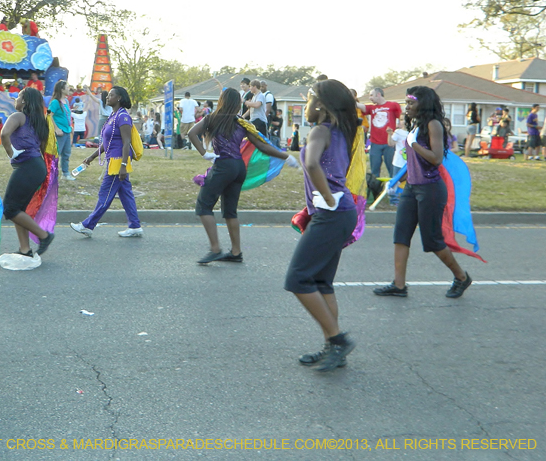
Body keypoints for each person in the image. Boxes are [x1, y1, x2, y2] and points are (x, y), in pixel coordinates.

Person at [284, 79, 360, 372]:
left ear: (321, 105)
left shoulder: (320, 131)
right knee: (321, 282)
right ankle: (333, 348)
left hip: (332, 213)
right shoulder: (340, 132)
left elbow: (314, 164)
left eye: (308, 99)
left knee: (298, 278)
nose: (305, 106)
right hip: (342, 212)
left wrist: (326, 197)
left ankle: (338, 341)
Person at [374, 86, 473, 300]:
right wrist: (396, 180)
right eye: (407, 103)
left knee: (432, 240)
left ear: (424, 104)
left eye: (411, 103)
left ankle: (461, 277)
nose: (407, 107)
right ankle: (399, 285)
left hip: (430, 190)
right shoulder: (416, 125)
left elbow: (436, 158)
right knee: (401, 236)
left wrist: (414, 144)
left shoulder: (433, 125)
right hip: (411, 188)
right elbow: (412, 162)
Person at [189, 88, 296, 264]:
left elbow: (191, 133)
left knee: (203, 206)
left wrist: (204, 153)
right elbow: (263, 146)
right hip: (239, 168)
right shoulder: (241, 122)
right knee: (230, 211)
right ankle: (236, 252)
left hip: (223, 166)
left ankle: (215, 249)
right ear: (237, 104)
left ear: (222, 101)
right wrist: (286, 156)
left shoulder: (212, 118)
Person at [70, 86, 142, 238]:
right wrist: (91, 157)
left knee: (105, 193)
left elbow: (126, 142)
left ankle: (87, 225)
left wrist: (123, 166)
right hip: (114, 159)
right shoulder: (113, 115)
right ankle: (135, 226)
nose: (107, 97)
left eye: (111, 95)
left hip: (118, 162)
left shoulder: (123, 117)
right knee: (126, 194)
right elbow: (107, 143)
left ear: (119, 98)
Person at [0, 87, 56, 258]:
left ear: (24, 101)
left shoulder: (18, 116)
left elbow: (4, 134)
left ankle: (44, 236)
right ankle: (25, 249)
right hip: (36, 167)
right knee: (19, 209)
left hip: (28, 166)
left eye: (18, 96)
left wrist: (11, 153)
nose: (15, 99)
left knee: (10, 209)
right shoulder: (38, 121)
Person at [356, 87, 402, 178]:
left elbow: (401, 118)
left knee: (392, 168)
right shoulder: (372, 108)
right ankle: (375, 186)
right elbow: (360, 106)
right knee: (374, 169)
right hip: (375, 143)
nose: (370, 98)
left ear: (378, 94)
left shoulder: (393, 105)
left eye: (371, 95)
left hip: (389, 142)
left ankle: (393, 185)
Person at [48, 80, 74, 181]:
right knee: (56, 154)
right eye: (67, 87)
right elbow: (49, 115)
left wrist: (70, 126)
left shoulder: (66, 101)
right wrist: (56, 128)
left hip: (67, 131)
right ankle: (51, 174)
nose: (69, 89)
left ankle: (65, 173)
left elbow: (67, 115)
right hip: (59, 132)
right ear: (62, 89)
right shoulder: (55, 102)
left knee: (66, 153)